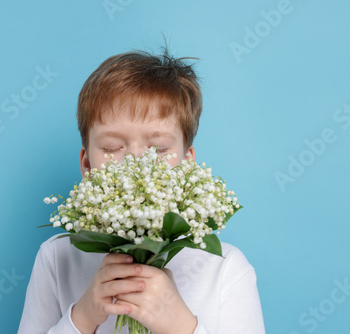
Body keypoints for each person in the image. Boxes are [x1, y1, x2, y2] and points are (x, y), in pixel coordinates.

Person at [18, 47, 266, 334]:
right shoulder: (57, 258)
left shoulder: (225, 269)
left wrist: (181, 326)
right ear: (87, 164)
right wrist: (82, 317)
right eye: (112, 148)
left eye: (158, 149)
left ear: (188, 163)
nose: (135, 163)